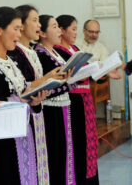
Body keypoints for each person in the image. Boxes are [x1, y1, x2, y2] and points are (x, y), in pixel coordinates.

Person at [0, 6, 48, 185]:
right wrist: (23, 99)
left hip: (22, 132)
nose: (18, 34)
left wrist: (34, 101)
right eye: (15, 29)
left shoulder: (12, 61)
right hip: (3, 141)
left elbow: (21, 91)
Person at [8, 5, 68, 185]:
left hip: (37, 113)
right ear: (22, 26)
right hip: (25, 116)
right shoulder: (15, 52)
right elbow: (22, 86)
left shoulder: (32, 52)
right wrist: (48, 78)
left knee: (43, 163)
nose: (39, 25)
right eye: (34, 20)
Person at [54, 15, 99, 184]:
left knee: (89, 142)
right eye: (73, 29)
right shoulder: (58, 51)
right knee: (79, 143)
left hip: (86, 100)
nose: (75, 32)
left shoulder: (74, 48)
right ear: (62, 30)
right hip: (74, 101)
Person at [35, 15, 77, 185]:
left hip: (64, 106)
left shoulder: (56, 52)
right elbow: (47, 86)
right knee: (56, 154)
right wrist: (68, 84)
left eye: (59, 26)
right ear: (43, 33)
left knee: (66, 153)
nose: (59, 30)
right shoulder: (40, 54)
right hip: (51, 110)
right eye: (54, 27)